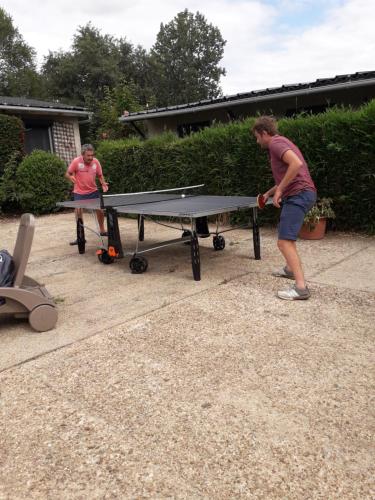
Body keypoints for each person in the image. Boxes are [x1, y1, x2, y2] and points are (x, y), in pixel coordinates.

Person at [252, 116, 317, 300]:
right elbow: (287, 176)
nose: (257, 142)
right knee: (284, 232)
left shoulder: (275, 144)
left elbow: (296, 164)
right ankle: (289, 269)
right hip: (300, 193)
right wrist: (269, 193)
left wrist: (280, 190)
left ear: (265, 133)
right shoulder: (281, 142)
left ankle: (301, 288)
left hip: (299, 194)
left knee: (284, 242)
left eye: (257, 137)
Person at [65, 144, 109, 245]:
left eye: (92, 155)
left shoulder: (96, 162)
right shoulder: (76, 161)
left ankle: (102, 230)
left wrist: (103, 183)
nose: (91, 157)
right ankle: (80, 236)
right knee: (78, 212)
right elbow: (67, 173)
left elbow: (100, 175)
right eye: (88, 155)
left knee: (100, 210)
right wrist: (70, 177)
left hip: (93, 191)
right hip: (79, 192)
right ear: (83, 155)